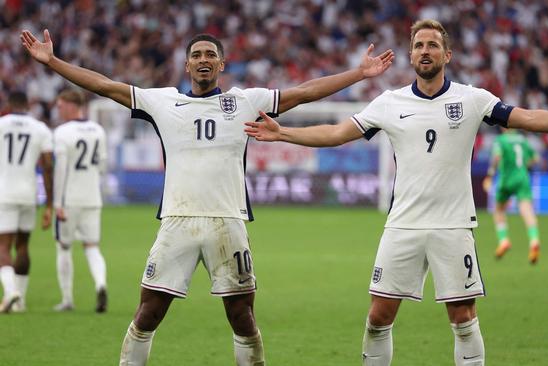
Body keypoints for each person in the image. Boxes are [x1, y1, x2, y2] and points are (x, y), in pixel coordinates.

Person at [244, 19, 548, 365]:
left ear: (447, 54)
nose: (425, 51)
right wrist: (284, 133)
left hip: (453, 224)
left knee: (463, 317)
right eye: (419, 45)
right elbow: (336, 133)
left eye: (432, 45)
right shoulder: (390, 103)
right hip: (403, 225)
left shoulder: (473, 98)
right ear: (411, 55)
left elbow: (525, 118)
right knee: (379, 316)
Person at [21, 29, 393, 365]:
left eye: (210, 55)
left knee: (242, 315)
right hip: (177, 223)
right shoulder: (163, 102)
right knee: (148, 311)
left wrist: (358, 74)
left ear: (222, 64)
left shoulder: (247, 100)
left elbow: (303, 92)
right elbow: (105, 86)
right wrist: (52, 61)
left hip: (227, 223)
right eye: (197, 55)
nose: (203, 60)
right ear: (186, 65)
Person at [51, 89, 108, 312]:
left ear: (70, 105)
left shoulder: (62, 132)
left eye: (60, 105)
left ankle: (67, 299)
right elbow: (103, 166)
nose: (58, 110)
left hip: (69, 199)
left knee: (64, 247)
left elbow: (60, 171)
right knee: (92, 246)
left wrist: (57, 203)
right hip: (92, 198)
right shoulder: (98, 130)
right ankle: (101, 284)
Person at [0, 91, 53, 313]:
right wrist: (49, 203)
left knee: (3, 246)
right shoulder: (40, 128)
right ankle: (20, 302)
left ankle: (11, 291)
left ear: (10, 104)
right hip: (29, 193)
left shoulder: (1, 124)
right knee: (23, 245)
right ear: (28, 105)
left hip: (4, 191)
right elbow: (48, 165)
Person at [482, 128, 541, 264]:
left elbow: (496, 158)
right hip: (522, 178)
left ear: (503, 127)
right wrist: (521, 167)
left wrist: (490, 176)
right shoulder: (522, 140)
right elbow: (535, 158)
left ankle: (503, 240)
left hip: (506, 179)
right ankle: (534, 240)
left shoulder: (500, 140)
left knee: (499, 210)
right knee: (526, 210)